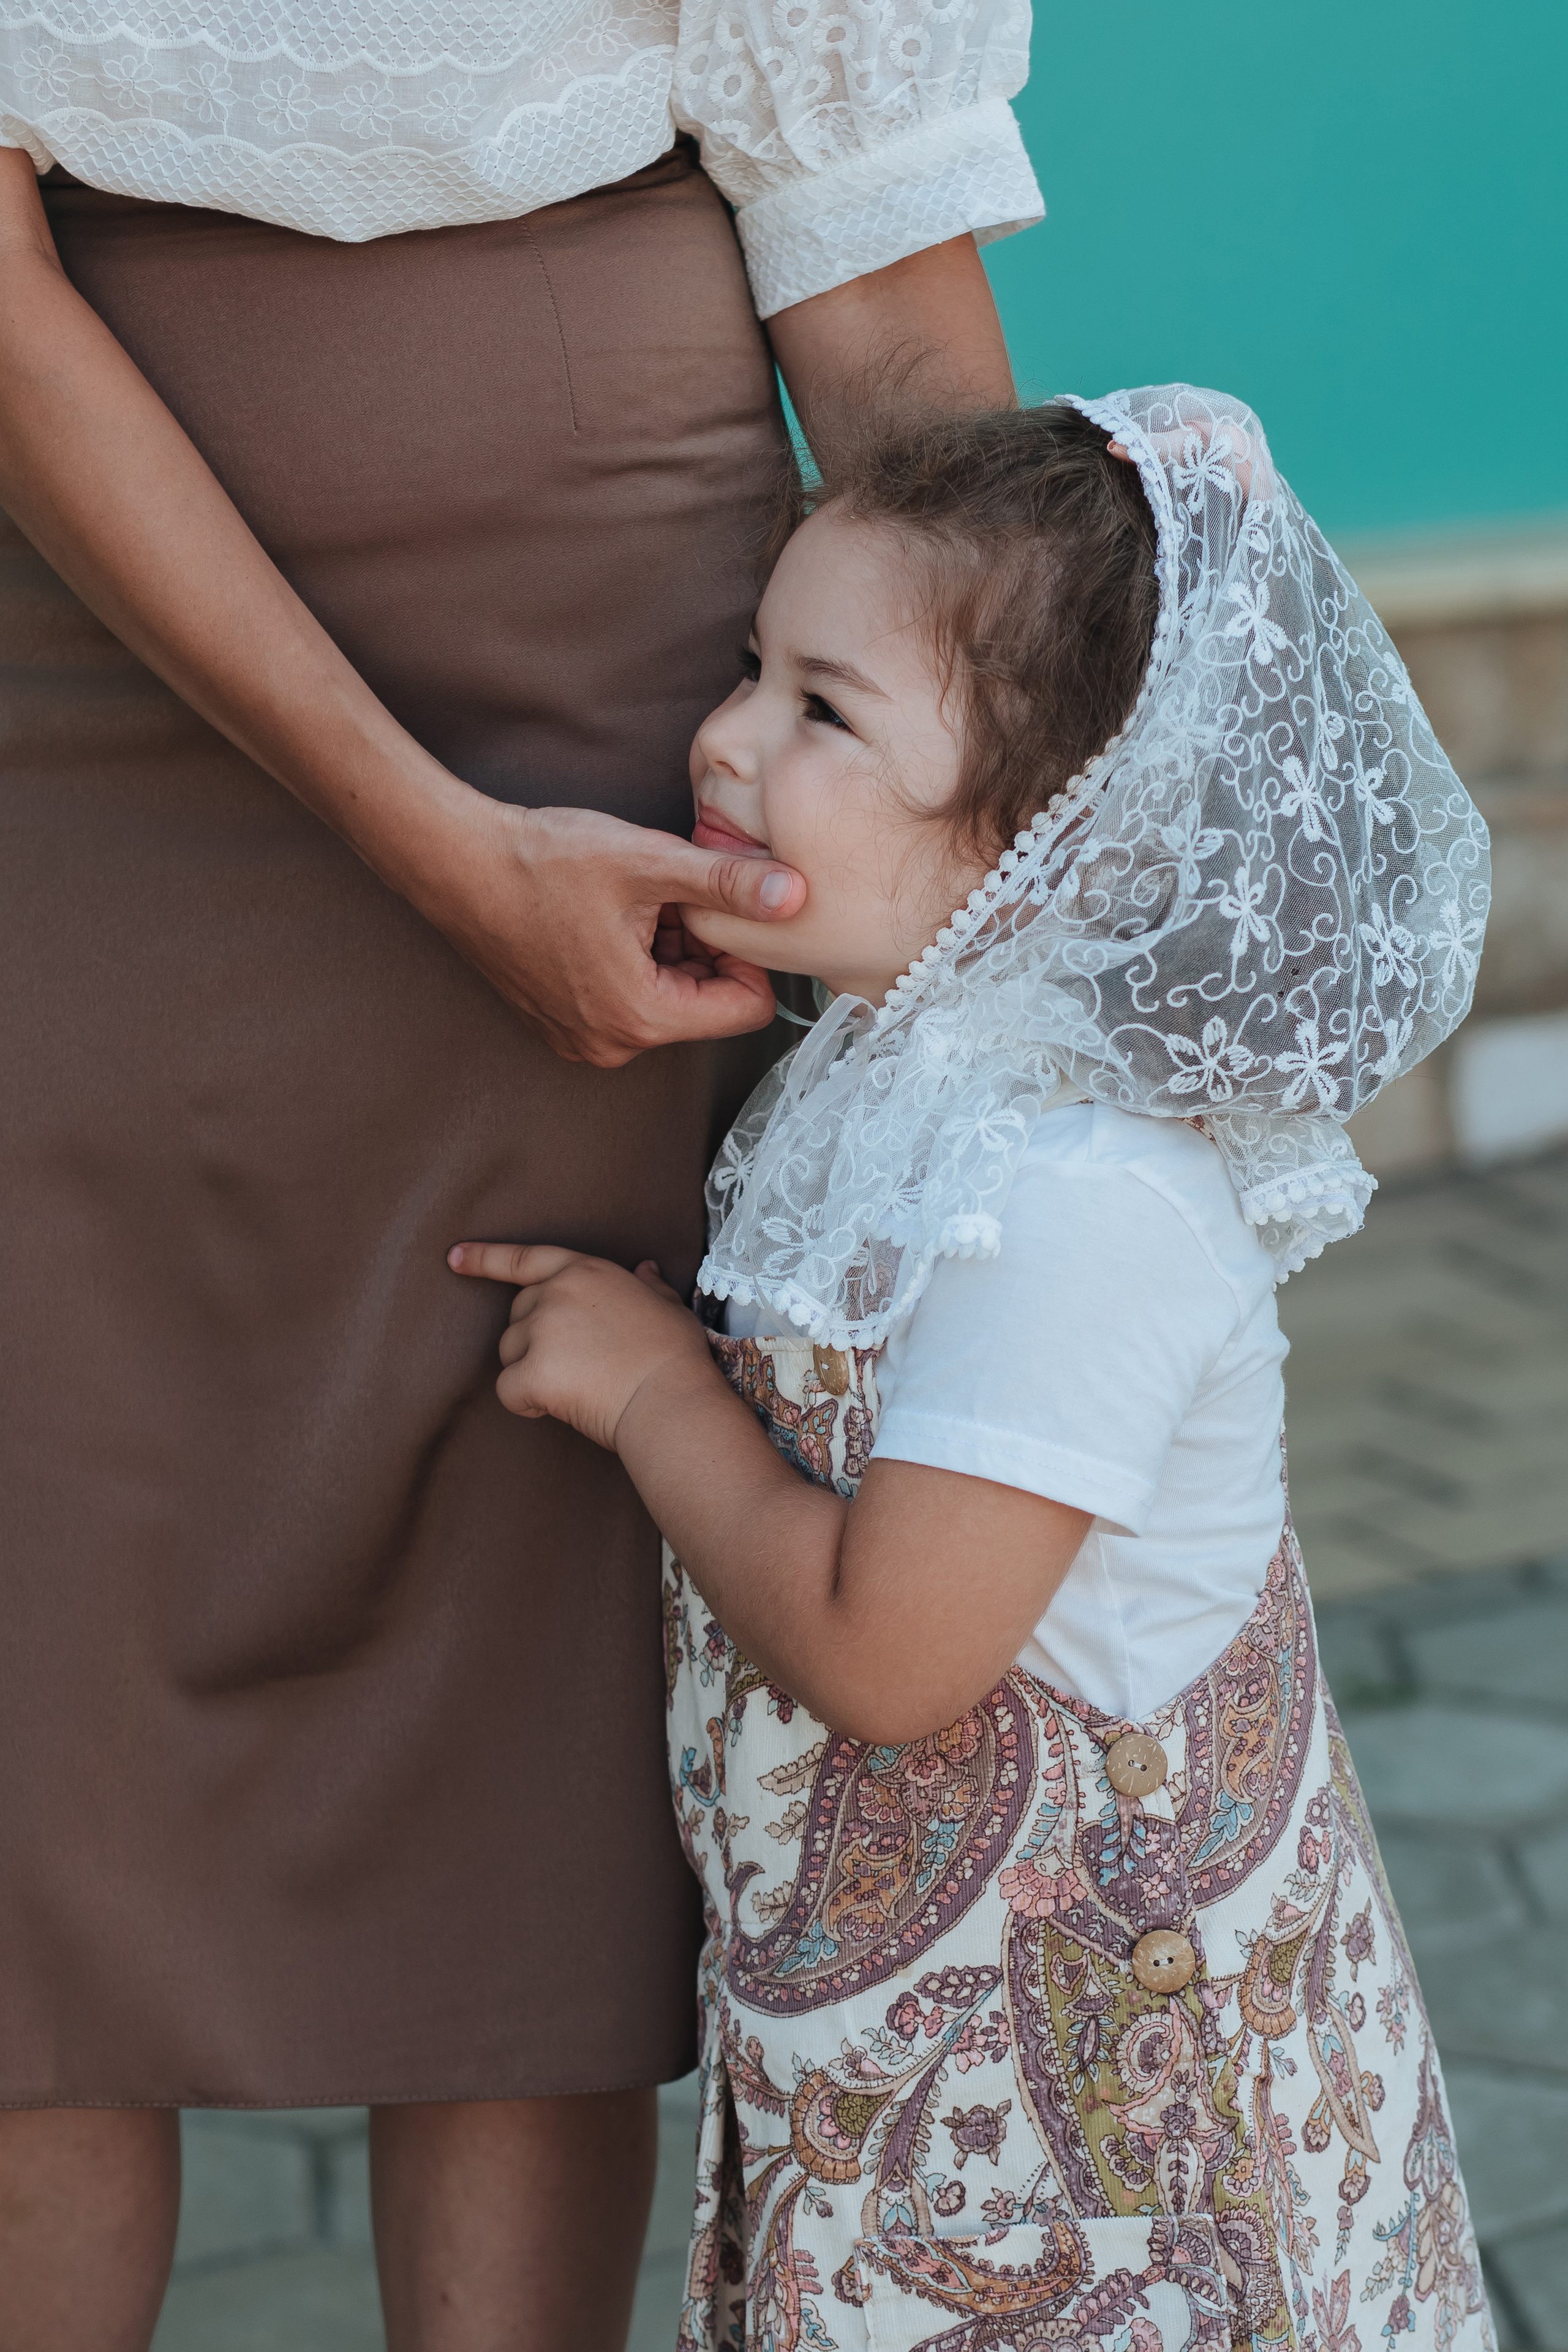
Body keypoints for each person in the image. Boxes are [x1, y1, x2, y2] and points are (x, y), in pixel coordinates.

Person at [0, 0, 1043, 2341]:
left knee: (526, 1719)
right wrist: (428, 844)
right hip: (57, 678)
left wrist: (994, 871)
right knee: (32, 1718)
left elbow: (876, 271)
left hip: (629, 718)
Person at [453, 390, 1496, 2349]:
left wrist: (656, 1395)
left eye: (822, 712)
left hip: (1122, 2150)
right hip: (925, 2088)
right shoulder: (898, 1081)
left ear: (1048, 840)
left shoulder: (1080, 1197)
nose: (725, 737)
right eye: (751, 669)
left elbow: (892, 1657)